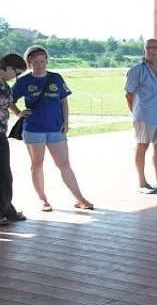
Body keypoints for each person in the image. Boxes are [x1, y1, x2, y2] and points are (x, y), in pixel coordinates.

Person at [11, 46, 94, 211]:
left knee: (64, 164)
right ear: (29, 62)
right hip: (34, 129)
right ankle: (43, 200)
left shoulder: (56, 78)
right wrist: (18, 112)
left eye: (43, 61)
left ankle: (80, 198)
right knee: (37, 163)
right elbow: (9, 98)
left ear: (47, 61)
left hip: (56, 128)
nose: (40, 65)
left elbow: (64, 101)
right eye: (36, 62)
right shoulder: (24, 81)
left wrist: (66, 121)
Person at [126, 39, 157, 194]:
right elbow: (128, 94)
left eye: (155, 47)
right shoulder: (136, 70)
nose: (152, 50)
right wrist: (135, 112)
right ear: (144, 50)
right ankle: (142, 184)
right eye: (149, 47)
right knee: (142, 146)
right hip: (144, 114)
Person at [1, 53, 28, 223]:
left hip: (1, 134)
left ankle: (5, 209)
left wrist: (18, 113)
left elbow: (9, 102)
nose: (16, 77)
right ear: (9, 67)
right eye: (16, 73)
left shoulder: (5, 85)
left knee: (4, 174)